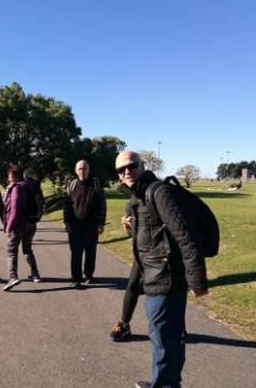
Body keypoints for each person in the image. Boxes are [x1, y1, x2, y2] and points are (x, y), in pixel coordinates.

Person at [115, 151, 208, 388]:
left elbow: (185, 236)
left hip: (166, 278)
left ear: (142, 165)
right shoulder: (138, 197)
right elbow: (152, 237)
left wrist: (197, 280)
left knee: (164, 339)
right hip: (154, 275)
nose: (126, 172)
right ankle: (165, 382)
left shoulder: (159, 192)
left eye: (131, 166)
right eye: (121, 169)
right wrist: (131, 228)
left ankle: (165, 384)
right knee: (167, 337)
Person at [63, 160, 106, 289]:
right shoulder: (72, 185)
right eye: (80, 169)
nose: (82, 171)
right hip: (75, 227)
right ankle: (76, 278)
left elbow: (102, 206)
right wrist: (66, 222)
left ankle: (89, 275)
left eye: (85, 168)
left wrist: (101, 223)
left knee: (90, 253)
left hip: (91, 227)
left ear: (89, 170)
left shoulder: (96, 185)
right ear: (76, 171)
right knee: (76, 253)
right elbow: (67, 206)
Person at [3, 166, 42, 291]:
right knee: (27, 249)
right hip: (31, 223)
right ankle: (35, 274)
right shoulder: (31, 187)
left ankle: (13, 277)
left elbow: (14, 210)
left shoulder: (17, 188)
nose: (8, 178)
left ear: (15, 176)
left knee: (11, 250)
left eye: (9, 175)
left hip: (19, 225)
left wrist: (8, 228)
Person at [110, 200, 141, 341]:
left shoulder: (158, 196)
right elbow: (133, 235)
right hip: (143, 254)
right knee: (132, 286)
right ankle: (124, 324)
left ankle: (177, 327)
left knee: (167, 292)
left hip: (165, 255)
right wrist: (128, 227)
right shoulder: (130, 204)